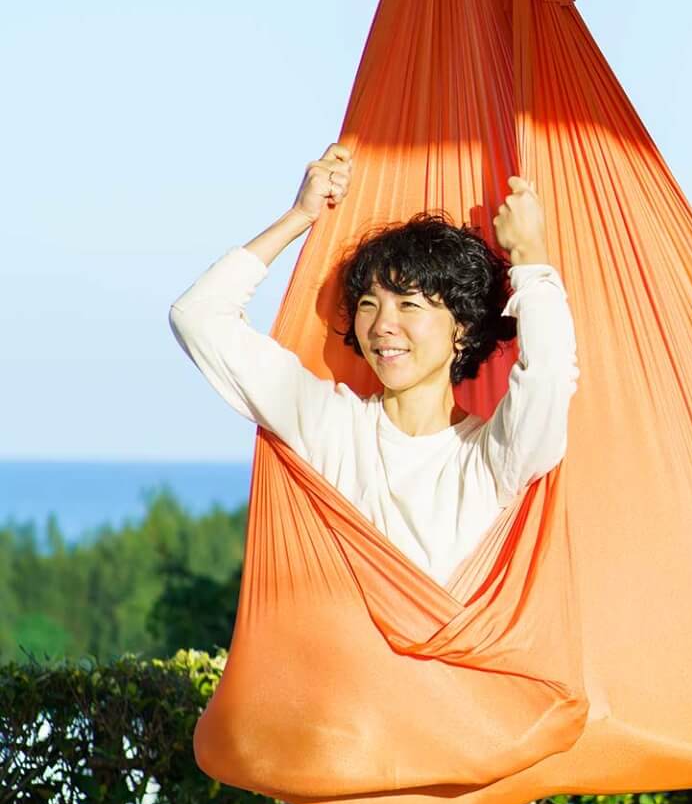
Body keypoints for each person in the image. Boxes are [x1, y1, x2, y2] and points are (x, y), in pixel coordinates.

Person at [169, 143, 578, 586]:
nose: (383, 324)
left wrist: (532, 261)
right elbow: (198, 316)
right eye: (368, 304)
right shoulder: (331, 425)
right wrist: (299, 218)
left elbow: (548, 376)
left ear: (462, 329)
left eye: (408, 305)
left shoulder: (490, 457)